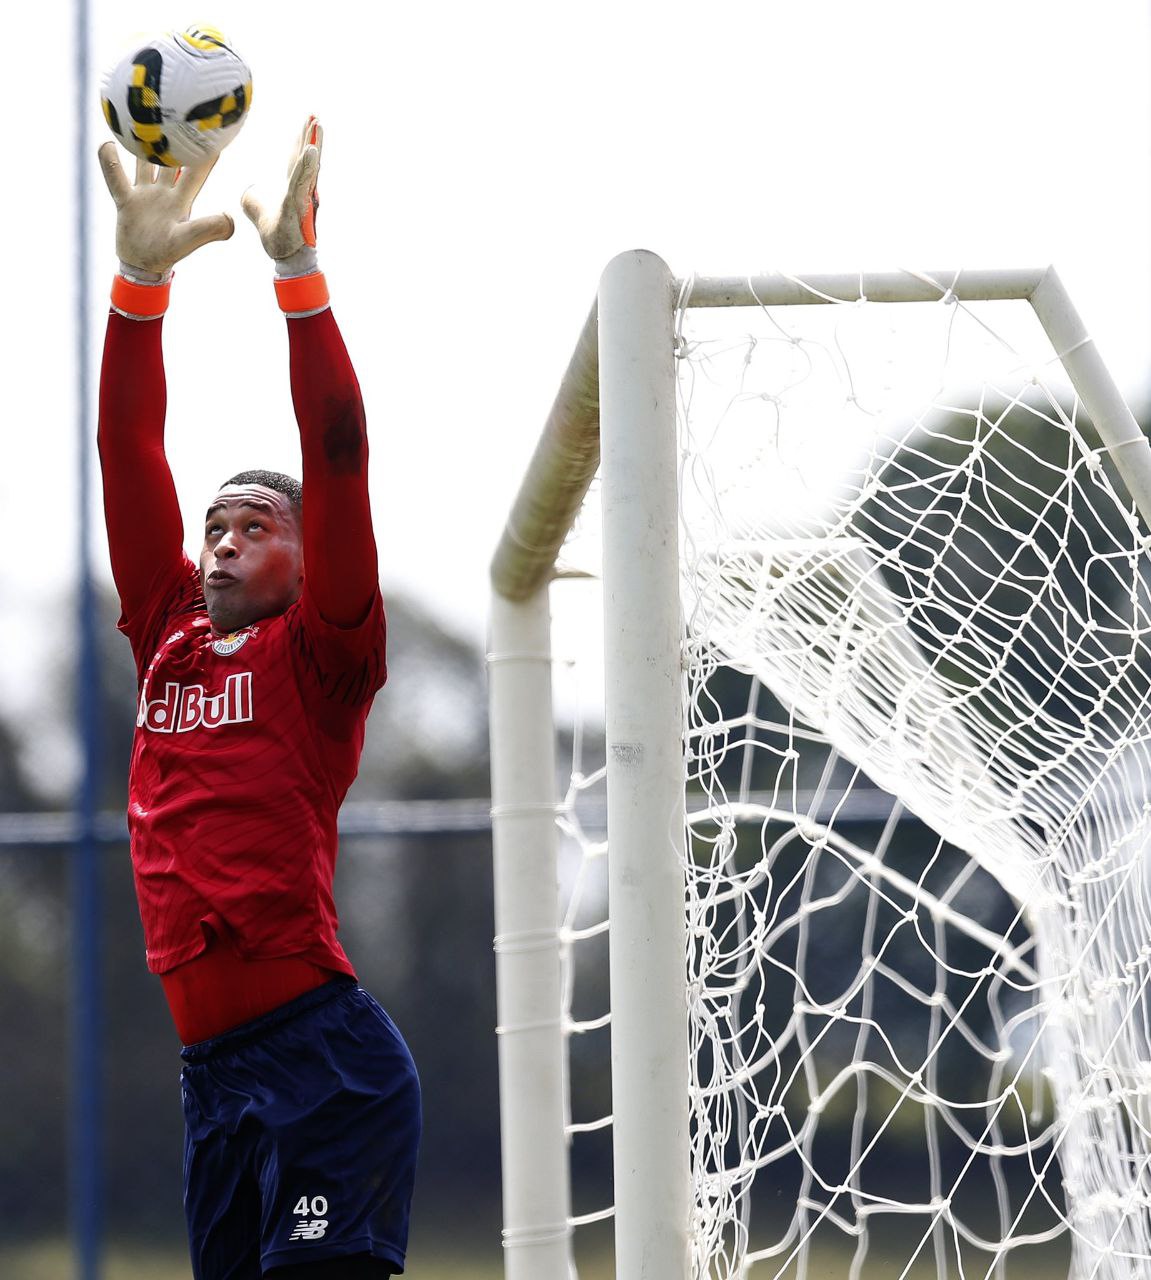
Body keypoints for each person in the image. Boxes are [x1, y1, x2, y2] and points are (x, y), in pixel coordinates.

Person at [96, 118, 420, 1280]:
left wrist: (298, 277)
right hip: (215, 1084)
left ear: (305, 553)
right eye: (214, 527)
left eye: (256, 526)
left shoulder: (320, 651)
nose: (226, 542)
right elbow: (127, 448)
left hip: (323, 1067)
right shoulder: (166, 634)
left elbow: (336, 454)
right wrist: (140, 283)